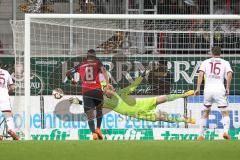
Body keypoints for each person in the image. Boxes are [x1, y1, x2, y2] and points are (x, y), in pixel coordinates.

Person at [66, 49, 111, 140]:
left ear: (87, 56)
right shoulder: (97, 62)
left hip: (86, 91)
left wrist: (73, 80)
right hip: (97, 90)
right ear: (94, 56)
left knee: (89, 115)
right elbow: (104, 71)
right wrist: (107, 85)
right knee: (99, 110)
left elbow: (68, 73)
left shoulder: (81, 64)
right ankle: (98, 128)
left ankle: (93, 133)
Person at [195, 46, 233, 140]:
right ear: (220, 53)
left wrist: (198, 88)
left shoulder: (205, 62)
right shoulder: (225, 62)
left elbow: (200, 74)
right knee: (225, 112)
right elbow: (230, 74)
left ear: (211, 53)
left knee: (205, 111)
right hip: (219, 90)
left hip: (208, 90)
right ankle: (225, 132)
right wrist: (227, 87)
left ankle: (200, 135)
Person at [0, 65, 19, 140]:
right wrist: (10, 90)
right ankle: (11, 129)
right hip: (3, 95)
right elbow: (12, 87)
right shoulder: (6, 72)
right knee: (8, 115)